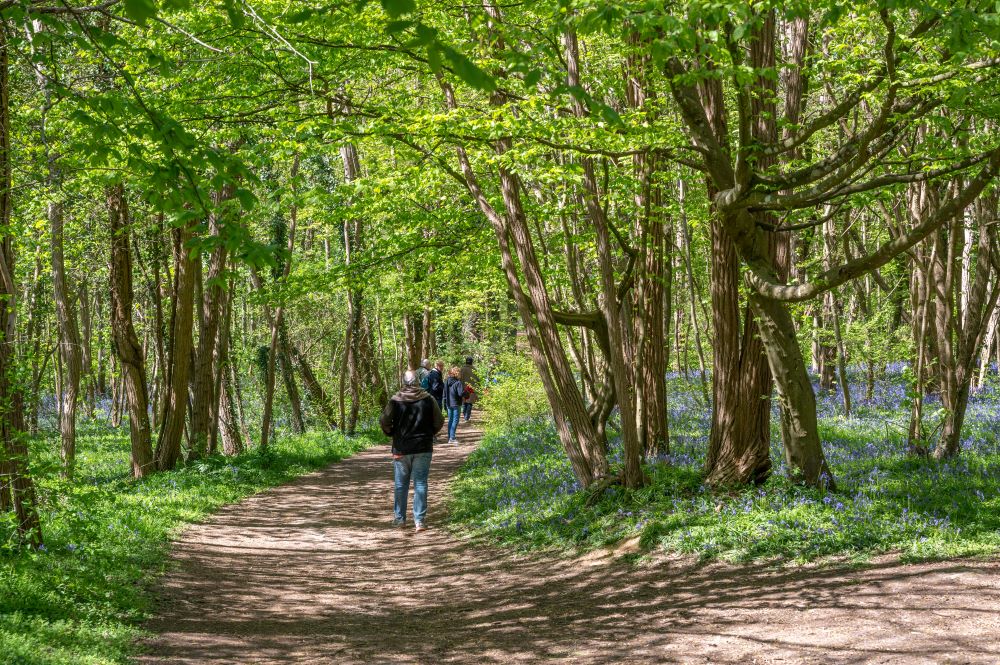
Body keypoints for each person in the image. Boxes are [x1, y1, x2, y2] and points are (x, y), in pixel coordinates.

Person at [379, 370, 444, 532]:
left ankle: (400, 519)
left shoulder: (395, 400)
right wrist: (431, 433)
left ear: (404, 382)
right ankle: (419, 521)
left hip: (402, 447)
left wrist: (391, 432)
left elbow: (384, 421)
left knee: (401, 485)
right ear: (417, 381)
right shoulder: (428, 399)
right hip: (423, 447)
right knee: (420, 483)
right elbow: (439, 420)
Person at [444, 366, 464, 444]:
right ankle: (452, 438)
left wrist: (444, 402)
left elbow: (444, 393)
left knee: (450, 420)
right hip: (456, 403)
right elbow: (460, 393)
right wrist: (467, 393)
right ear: (457, 373)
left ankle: (450, 437)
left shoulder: (446, 381)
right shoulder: (458, 383)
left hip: (449, 403)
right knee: (455, 420)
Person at [459, 356, 480, 422]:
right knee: (469, 403)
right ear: (471, 362)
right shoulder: (474, 370)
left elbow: (459, 378)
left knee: (464, 402)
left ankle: (465, 415)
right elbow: (478, 380)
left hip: (463, 388)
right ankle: (466, 417)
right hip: (471, 388)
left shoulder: (462, 369)